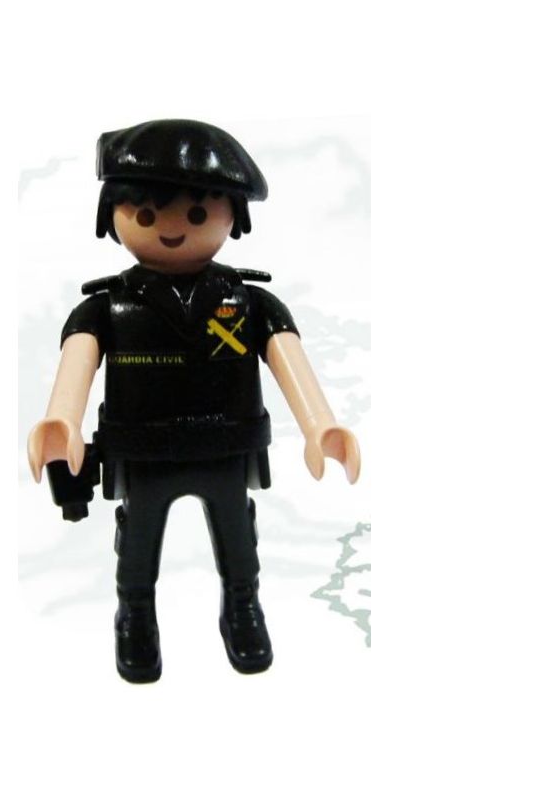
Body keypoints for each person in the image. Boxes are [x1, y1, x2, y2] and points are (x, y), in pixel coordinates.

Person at [28, 119, 361, 683]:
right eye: (147, 215)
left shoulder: (247, 302)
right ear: (112, 215)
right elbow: (77, 364)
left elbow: (288, 357)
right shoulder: (108, 308)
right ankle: (135, 613)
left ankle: (243, 607)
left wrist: (320, 425)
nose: (172, 229)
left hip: (224, 442)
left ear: (233, 216)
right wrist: (62, 421)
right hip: (145, 447)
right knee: (138, 538)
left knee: (237, 535)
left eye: (199, 213)